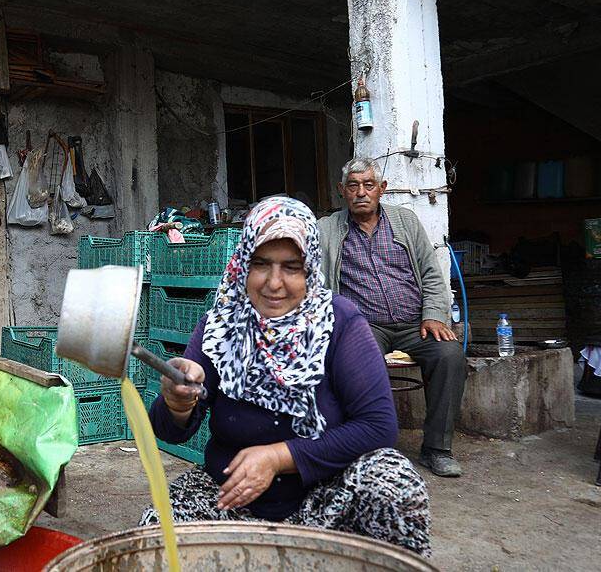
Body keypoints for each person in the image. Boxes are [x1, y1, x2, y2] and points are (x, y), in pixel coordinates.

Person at [141, 196, 430, 557]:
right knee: (156, 531)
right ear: (243, 264)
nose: (274, 283)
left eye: (291, 267)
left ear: (310, 268)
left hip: (326, 497)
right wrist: (177, 402)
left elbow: (379, 426)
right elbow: (167, 430)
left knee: (394, 486)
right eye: (261, 264)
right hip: (233, 494)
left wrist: (279, 457)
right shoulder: (220, 327)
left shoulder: (339, 323)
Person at [318, 158, 467, 477]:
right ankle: (367, 447)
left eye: (369, 185)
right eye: (353, 186)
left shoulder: (405, 221)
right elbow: (314, 281)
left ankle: (437, 449)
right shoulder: (327, 229)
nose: (361, 192)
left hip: (416, 323)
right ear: (342, 191)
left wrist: (434, 315)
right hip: (363, 325)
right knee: (358, 358)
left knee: (450, 355)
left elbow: (430, 272)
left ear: (381, 189)